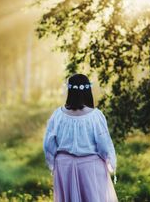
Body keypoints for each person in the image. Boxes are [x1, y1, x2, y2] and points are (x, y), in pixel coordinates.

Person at [43, 73, 118, 202]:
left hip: (64, 167)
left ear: (70, 92)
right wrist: (110, 161)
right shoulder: (95, 116)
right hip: (90, 167)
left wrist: (53, 161)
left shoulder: (58, 115)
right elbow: (104, 145)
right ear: (87, 91)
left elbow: (48, 144)